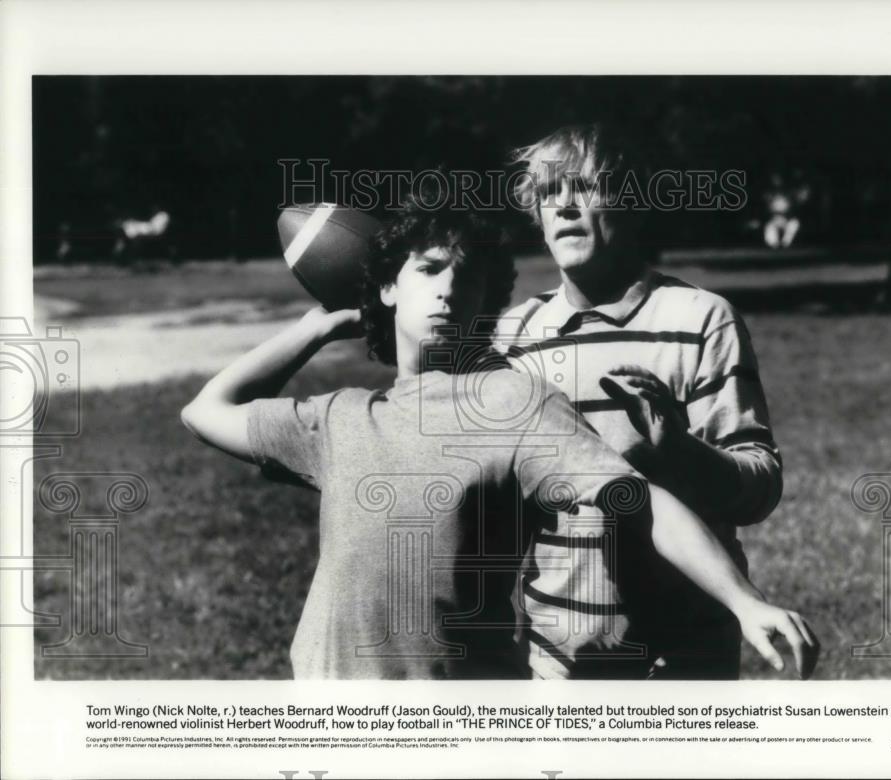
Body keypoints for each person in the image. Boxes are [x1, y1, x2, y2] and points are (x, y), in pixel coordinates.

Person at [181, 191, 815, 680]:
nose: (450, 287)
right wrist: (321, 326)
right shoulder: (340, 417)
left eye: (470, 275)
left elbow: (639, 501)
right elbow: (205, 410)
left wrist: (746, 602)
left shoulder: (514, 403)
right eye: (428, 269)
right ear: (388, 287)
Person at [502, 123, 784, 679]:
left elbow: (759, 487)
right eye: (548, 192)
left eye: (583, 186)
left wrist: (680, 453)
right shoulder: (515, 336)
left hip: (683, 655)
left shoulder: (699, 319)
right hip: (559, 656)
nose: (563, 206)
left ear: (630, 199)